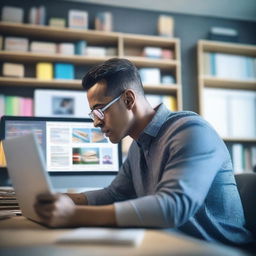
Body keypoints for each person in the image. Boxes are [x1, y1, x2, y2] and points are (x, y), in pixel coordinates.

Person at [35, 58, 254, 246]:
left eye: (99, 111)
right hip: (174, 245)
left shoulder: (191, 131)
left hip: (221, 250)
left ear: (128, 100)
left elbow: (173, 207)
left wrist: (72, 215)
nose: (96, 123)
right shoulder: (137, 147)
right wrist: (59, 199)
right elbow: (114, 195)